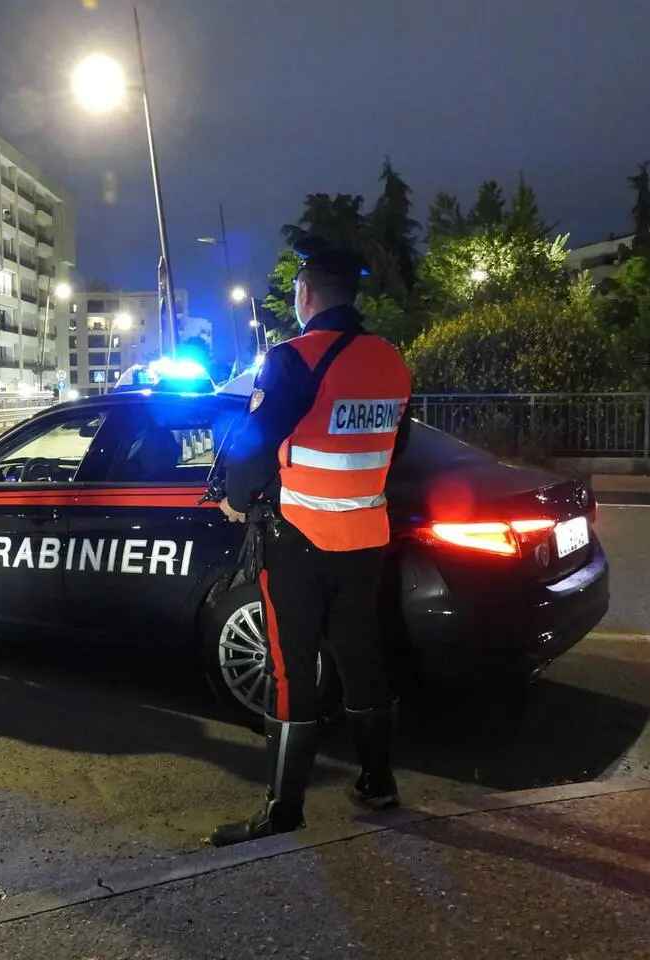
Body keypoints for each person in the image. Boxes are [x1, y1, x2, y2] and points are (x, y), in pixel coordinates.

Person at [209, 238, 413, 847]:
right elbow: (395, 447)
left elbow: (254, 441)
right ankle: (377, 782)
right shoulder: (391, 360)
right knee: (361, 658)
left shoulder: (292, 359)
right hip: (366, 538)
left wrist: (235, 498)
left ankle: (283, 810)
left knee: (291, 669)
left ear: (306, 294)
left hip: (298, 538)